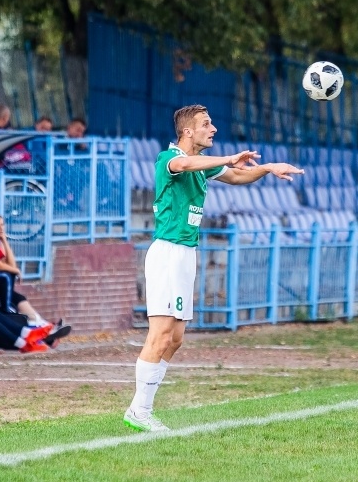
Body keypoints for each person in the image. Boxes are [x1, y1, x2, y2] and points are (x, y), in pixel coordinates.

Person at [124, 104, 304, 432]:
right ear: (188, 131)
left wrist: (267, 169)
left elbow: (237, 176)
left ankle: (141, 408)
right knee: (160, 334)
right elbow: (186, 163)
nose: (214, 129)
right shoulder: (169, 159)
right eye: (206, 124)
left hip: (185, 255)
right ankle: (140, 410)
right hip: (166, 253)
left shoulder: (203, 165)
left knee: (175, 338)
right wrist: (227, 158)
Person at [0, 211, 71, 346]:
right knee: (10, 308)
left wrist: (5, 241)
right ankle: (43, 331)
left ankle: (43, 327)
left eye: (3, 225)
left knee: (19, 298)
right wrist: (15, 271)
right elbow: (1, 267)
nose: (2, 228)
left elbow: (10, 265)